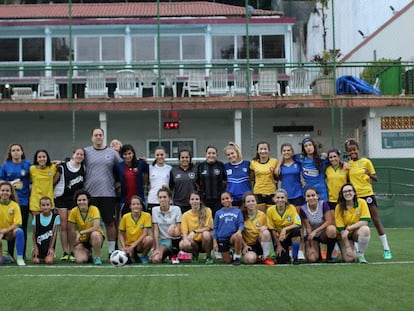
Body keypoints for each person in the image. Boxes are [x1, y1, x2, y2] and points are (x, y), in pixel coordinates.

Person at [345, 138, 392, 259]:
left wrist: (369, 174)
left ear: (358, 150)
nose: (352, 152)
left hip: (368, 195)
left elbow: (375, 178)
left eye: (354, 149)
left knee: (376, 220)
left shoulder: (366, 162)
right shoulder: (348, 165)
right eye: (350, 151)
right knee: (356, 224)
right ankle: (358, 251)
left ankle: (386, 249)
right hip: (356, 197)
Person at [84, 128, 122, 257]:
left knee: (110, 223)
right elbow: (75, 162)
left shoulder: (112, 153)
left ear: (103, 137)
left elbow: (123, 168)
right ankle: (88, 249)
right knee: (89, 223)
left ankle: (112, 251)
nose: (98, 137)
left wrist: (119, 183)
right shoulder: (86, 152)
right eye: (96, 135)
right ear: (92, 137)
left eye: (100, 135)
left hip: (108, 193)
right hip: (90, 194)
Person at [53, 147, 85, 261]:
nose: (79, 156)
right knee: (64, 226)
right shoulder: (62, 167)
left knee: (71, 227)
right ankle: (65, 252)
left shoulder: (84, 168)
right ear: (73, 154)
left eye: (82, 154)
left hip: (74, 200)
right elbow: (53, 181)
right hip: (61, 198)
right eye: (78, 154)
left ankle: (72, 250)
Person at [0, 143, 31, 259]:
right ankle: (10, 253)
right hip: (9, 201)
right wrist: (11, 184)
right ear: (10, 153)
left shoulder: (27, 164)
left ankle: (21, 254)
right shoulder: (5, 165)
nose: (16, 152)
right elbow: (1, 181)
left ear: (22, 152)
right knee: (9, 226)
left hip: (23, 201)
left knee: (20, 229)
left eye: (18, 150)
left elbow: (35, 174)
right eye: (13, 150)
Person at [335, 183, 371, 263]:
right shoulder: (339, 207)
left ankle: (361, 254)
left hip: (355, 232)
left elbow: (365, 222)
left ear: (354, 193)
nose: (347, 193)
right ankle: (349, 248)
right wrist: (347, 247)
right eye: (345, 192)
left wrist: (350, 228)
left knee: (365, 230)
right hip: (344, 236)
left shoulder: (361, 202)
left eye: (350, 191)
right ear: (342, 194)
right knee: (349, 259)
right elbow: (342, 232)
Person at [299, 187, 337, 263]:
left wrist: (315, 231)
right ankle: (317, 252)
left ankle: (328, 256)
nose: (311, 198)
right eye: (308, 196)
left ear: (317, 196)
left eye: (313, 195)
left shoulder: (323, 204)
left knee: (332, 229)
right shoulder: (303, 209)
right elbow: (307, 226)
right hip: (312, 235)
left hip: (323, 233)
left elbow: (328, 221)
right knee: (312, 259)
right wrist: (310, 240)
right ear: (305, 198)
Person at [68, 189, 105, 265]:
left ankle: (97, 257)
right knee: (81, 260)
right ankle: (88, 253)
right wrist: (75, 244)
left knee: (95, 234)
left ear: (88, 200)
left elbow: (96, 227)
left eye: (84, 200)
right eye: (79, 200)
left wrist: (81, 232)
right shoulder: (73, 211)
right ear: (76, 201)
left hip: (95, 237)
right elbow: (71, 230)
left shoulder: (94, 209)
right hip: (82, 240)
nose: (81, 202)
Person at [267, 188, 301, 265]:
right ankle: (285, 254)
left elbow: (298, 223)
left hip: (289, 235)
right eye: (278, 197)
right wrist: (278, 245)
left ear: (286, 199)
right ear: (274, 199)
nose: (280, 200)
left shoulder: (291, 208)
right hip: (279, 238)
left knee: (296, 231)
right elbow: (272, 230)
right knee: (281, 260)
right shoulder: (270, 210)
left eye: (282, 197)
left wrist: (285, 229)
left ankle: (295, 257)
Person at [179, 191, 214, 264]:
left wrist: (195, 231)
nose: (194, 201)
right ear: (189, 201)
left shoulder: (207, 210)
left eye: (197, 199)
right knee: (182, 244)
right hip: (193, 242)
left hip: (205, 242)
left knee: (206, 234)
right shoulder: (185, 215)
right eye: (192, 199)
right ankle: (195, 254)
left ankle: (208, 256)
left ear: (200, 200)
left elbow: (208, 227)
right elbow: (184, 232)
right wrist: (185, 240)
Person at [240, 192, 274, 265]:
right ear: (245, 204)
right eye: (248, 201)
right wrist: (244, 245)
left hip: (259, 242)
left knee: (265, 232)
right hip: (248, 245)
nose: (251, 203)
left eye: (253, 201)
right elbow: (238, 233)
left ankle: (266, 257)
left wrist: (264, 228)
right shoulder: (241, 216)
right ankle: (256, 257)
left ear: (256, 202)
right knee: (250, 260)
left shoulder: (262, 215)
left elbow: (268, 228)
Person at [151, 186, 182, 264]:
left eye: (165, 197)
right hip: (163, 242)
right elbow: (155, 230)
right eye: (160, 197)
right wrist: (156, 248)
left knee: (172, 227)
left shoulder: (176, 209)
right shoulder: (154, 210)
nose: (162, 199)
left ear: (169, 199)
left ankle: (174, 253)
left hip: (174, 240)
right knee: (155, 260)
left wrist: (172, 230)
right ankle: (167, 254)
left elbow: (179, 230)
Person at [119, 195, 153, 264]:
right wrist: (124, 247)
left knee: (149, 239)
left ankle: (144, 256)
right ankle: (134, 256)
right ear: (130, 206)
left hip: (140, 244)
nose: (136, 206)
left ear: (141, 206)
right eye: (133, 204)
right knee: (127, 260)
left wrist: (133, 246)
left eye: (138, 204)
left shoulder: (147, 216)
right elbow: (121, 234)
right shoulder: (125, 217)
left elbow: (145, 233)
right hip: (128, 245)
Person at [293, 137, 329, 201]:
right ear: (304, 149)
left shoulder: (322, 157)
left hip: (321, 190)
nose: (308, 147)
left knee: (324, 209)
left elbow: (335, 160)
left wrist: (343, 163)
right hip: (308, 191)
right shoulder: (300, 158)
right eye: (306, 146)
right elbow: (287, 157)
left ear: (314, 146)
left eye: (310, 145)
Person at [213, 192, 244, 265]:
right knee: (228, 261)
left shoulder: (238, 211)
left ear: (232, 199)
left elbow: (241, 223)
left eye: (227, 198)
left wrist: (239, 231)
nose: (225, 200)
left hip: (233, 236)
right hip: (222, 238)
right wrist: (214, 242)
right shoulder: (218, 213)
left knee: (238, 236)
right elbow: (215, 228)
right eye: (223, 199)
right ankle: (230, 253)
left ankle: (237, 257)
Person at [119, 144, 149, 216]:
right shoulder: (119, 166)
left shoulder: (141, 163)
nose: (127, 156)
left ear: (133, 153)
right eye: (125, 154)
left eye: (129, 153)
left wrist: (146, 182)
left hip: (139, 199)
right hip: (125, 200)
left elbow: (148, 172)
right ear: (122, 155)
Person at [0, 181, 26, 266]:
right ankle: (6, 257)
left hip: (10, 232)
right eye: (2, 190)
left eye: (7, 191)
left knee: (19, 231)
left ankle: (20, 258)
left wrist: (5, 231)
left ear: (11, 193)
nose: (5, 192)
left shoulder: (15, 205)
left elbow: (18, 224)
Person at [197, 145, 226, 218]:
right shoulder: (201, 166)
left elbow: (225, 180)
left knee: (217, 218)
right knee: (205, 219)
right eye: (209, 153)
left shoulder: (220, 165)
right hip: (204, 199)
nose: (211, 155)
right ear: (206, 154)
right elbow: (197, 182)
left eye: (213, 153)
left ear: (217, 155)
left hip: (218, 199)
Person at [250, 141, 278, 212]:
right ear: (257, 151)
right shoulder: (253, 163)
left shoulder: (274, 161)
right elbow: (251, 178)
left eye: (265, 149)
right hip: (258, 192)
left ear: (269, 150)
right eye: (261, 149)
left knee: (271, 215)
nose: (263, 151)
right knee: (261, 216)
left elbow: (277, 176)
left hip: (271, 192)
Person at [31, 196, 60, 264]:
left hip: (48, 247)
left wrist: (51, 248)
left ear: (51, 206)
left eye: (47, 205)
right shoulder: (36, 217)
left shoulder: (56, 217)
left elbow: (55, 234)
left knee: (49, 261)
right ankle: (34, 252)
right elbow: (33, 234)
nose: (45, 207)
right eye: (43, 205)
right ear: (40, 206)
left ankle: (50, 255)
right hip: (39, 247)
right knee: (36, 261)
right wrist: (35, 247)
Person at [169, 149, 198, 214]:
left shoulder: (195, 170)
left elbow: (199, 185)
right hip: (178, 203)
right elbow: (171, 187)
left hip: (192, 203)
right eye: (182, 157)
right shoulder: (174, 171)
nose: (185, 159)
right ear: (179, 159)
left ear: (190, 158)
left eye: (187, 157)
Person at [29, 149, 57, 216]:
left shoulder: (53, 168)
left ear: (47, 158)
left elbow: (67, 164)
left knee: (49, 225)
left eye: (44, 157)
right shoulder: (32, 169)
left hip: (49, 201)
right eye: (39, 157)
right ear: (36, 159)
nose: (42, 159)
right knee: (36, 224)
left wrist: (60, 161)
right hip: (35, 202)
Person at [224, 142, 251, 207]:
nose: (231, 156)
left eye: (232, 153)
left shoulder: (247, 164)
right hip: (232, 199)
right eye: (228, 154)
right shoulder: (225, 166)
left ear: (237, 152)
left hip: (246, 198)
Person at [147, 146, 172, 214]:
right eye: (157, 155)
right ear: (154, 156)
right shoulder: (150, 168)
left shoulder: (169, 169)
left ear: (165, 155)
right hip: (152, 200)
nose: (159, 157)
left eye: (161, 154)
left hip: (166, 200)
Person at [277, 143, 304, 207]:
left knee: (297, 216)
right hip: (285, 195)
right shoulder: (279, 166)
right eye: (284, 151)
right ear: (281, 153)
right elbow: (277, 177)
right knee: (287, 216)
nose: (286, 152)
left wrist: (304, 181)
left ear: (292, 152)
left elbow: (305, 173)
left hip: (298, 194)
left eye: (288, 150)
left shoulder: (298, 163)